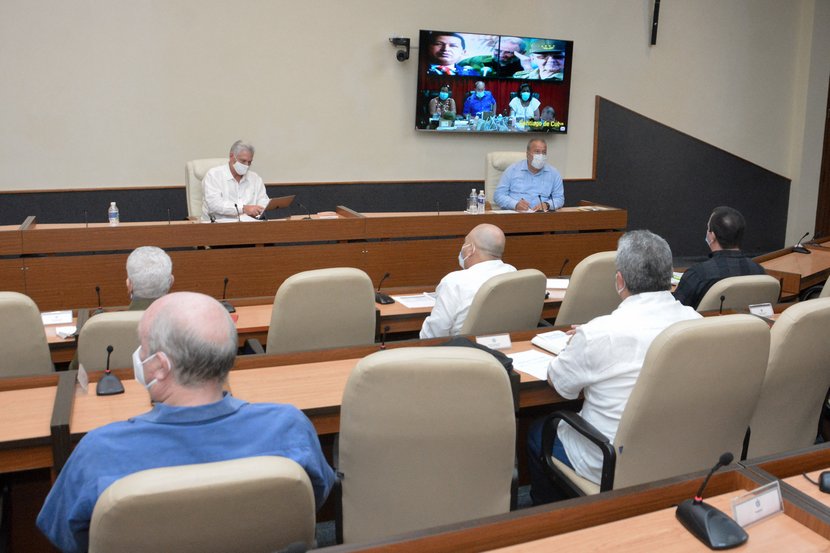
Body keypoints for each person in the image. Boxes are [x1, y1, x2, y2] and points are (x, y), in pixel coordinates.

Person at [38, 292, 335, 552]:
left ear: (159, 366)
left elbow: (66, 538)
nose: (139, 356)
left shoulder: (98, 451)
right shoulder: (290, 427)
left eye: (143, 347)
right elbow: (314, 501)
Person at [527, 230, 701, 504]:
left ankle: (555, 527)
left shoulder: (600, 333)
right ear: (670, 279)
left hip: (608, 461)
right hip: (675, 453)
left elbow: (560, 384)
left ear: (620, 280)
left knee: (539, 432)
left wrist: (580, 344)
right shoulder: (696, 322)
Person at [67, 246, 174, 371]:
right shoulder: (190, 324)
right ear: (171, 282)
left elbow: (74, 372)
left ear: (129, 285)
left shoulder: (97, 328)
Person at [420, 224, 516, 339]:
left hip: (461, 351)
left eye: (465, 243)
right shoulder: (513, 272)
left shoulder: (454, 281)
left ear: (470, 249)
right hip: (507, 346)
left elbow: (432, 335)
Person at [673, 206, 766, 309]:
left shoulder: (697, 275)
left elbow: (675, 311)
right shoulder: (759, 272)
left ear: (712, 236)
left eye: (708, 228)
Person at [202, 140, 270, 222]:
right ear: (231, 156)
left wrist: (260, 210)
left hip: (250, 225)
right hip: (219, 225)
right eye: (243, 161)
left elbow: (263, 201)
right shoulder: (214, 175)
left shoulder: (255, 178)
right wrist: (243, 209)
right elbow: (214, 205)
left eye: (249, 162)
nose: (246, 165)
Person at [494, 138, 564, 211]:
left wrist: (547, 204)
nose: (541, 155)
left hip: (542, 216)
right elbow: (498, 195)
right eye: (537, 152)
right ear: (527, 154)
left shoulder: (554, 173)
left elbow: (559, 198)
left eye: (544, 152)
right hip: (515, 214)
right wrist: (515, 204)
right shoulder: (512, 170)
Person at [459, 36, 528, 77]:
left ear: (522, 53)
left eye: (508, 52)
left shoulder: (528, 67)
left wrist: (527, 67)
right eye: (497, 50)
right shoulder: (475, 60)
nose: (501, 55)